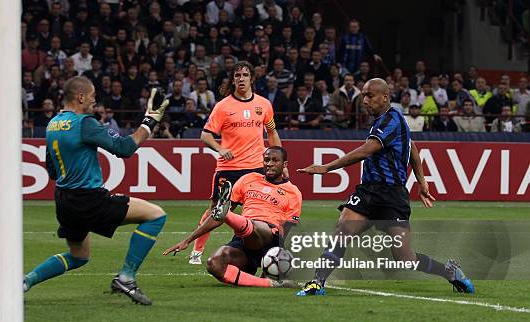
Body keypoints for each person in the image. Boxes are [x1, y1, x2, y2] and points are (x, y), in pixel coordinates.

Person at [295, 78, 475, 297]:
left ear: (385, 97)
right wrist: (422, 181)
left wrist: (327, 168)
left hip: (392, 196)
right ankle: (317, 283)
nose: (365, 100)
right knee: (343, 230)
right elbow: (413, 148)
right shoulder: (387, 121)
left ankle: (450, 272)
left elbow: (366, 151)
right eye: (363, 95)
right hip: (368, 192)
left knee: (405, 257)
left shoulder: (391, 120)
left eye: (369, 96)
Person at [23, 77, 170, 305]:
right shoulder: (85, 123)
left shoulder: (53, 124)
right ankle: (126, 278)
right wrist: (151, 120)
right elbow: (125, 148)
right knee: (156, 215)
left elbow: (51, 170)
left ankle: (24, 282)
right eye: (92, 96)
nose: (94, 101)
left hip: (63, 201)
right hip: (88, 200)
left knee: (78, 257)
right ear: (80, 97)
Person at [164, 147, 301, 288]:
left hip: (270, 239)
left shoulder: (293, 192)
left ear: (284, 164)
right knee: (214, 264)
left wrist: (279, 258)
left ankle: (229, 215)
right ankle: (268, 284)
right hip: (243, 240)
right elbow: (216, 218)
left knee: (253, 224)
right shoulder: (248, 179)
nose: (269, 163)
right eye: (266, 160)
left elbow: (287, 231)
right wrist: (187, 240)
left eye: (275, 160)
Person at [189, 61, 283, 265]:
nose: (241, 79)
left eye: (245, 75)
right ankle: (197, 250)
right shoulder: (223, 107)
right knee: (217, 210)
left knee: (257, 211)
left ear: (252, 78)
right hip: (229, 169)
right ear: (232, 80)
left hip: (257, 168)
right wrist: (221, 149)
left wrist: (282, 162)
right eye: (237, 75)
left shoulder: (264, 104)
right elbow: (205, 136)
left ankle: (254, 248)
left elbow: (272, 132)